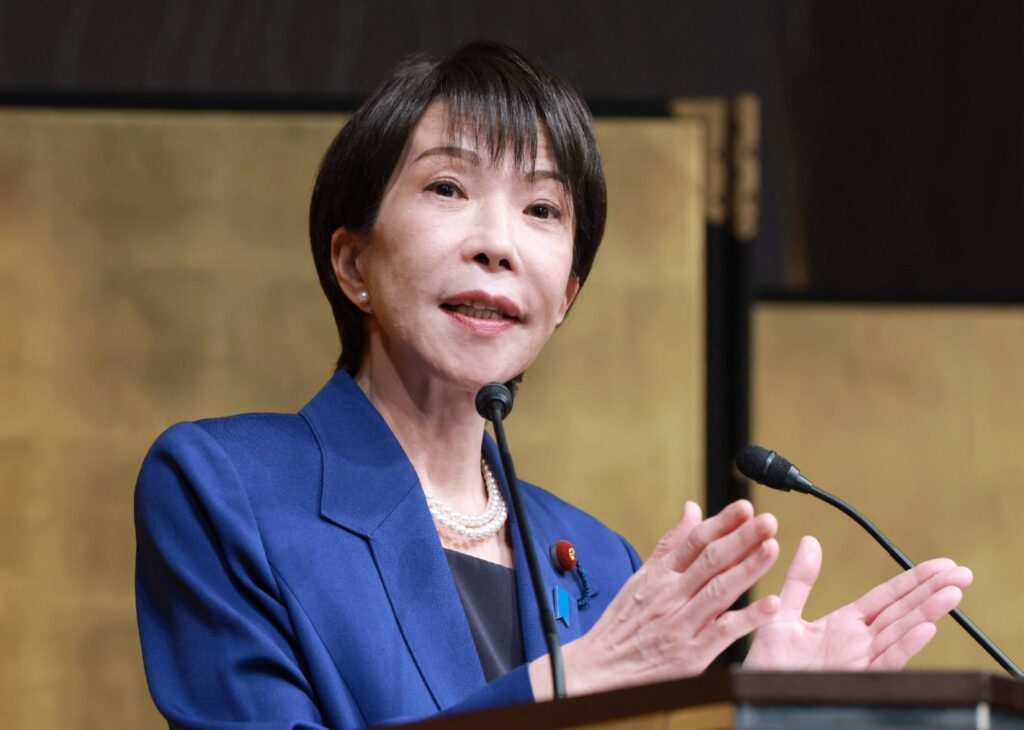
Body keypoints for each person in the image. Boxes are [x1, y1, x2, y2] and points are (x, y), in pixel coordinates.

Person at [134, 42, 972, 729]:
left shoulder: (598, 560)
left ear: (565, 296)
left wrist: (759, 716)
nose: (497, 244)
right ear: (353, 262)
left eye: (541, 210)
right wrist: (570, 683)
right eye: (448, 188)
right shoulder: (227, 487)